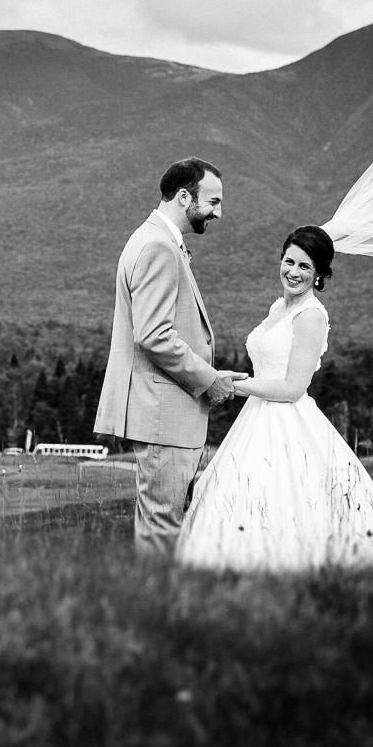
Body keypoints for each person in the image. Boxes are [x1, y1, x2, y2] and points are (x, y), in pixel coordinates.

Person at [175, 225, 373, 573]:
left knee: (287, 500)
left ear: (319, 275)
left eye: (305, 267)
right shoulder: (276, 308)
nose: (293, 272)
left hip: (288, 418)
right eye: (289, 261)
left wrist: (232, 384)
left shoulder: (311, 316)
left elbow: (292, 387)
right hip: (255, 418)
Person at [94, 157, 246, 556]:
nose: (218, 212)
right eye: (213, 201)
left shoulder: (148, 239)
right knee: (163, 529)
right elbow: (154, 336)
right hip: (164, 416)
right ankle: (158, 611)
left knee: (160, 526)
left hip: (161, 414)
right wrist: (209, 379)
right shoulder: (159, 247)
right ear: (184, 196)